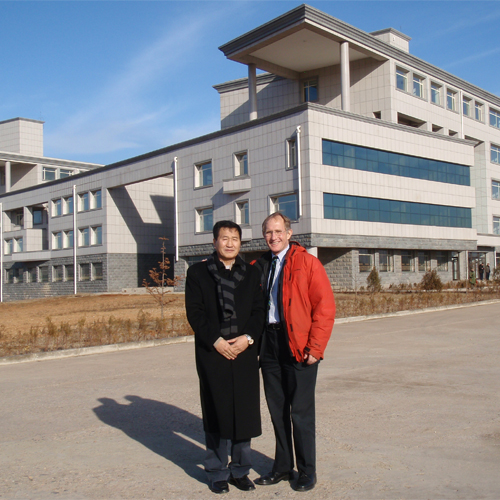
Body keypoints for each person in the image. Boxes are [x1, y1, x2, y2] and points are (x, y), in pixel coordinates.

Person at [253, 212, 336, 492]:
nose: (273, 237)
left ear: (289, 233)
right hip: (269, 346)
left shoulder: (308, 263)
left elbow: (324, 308)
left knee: (300, 412)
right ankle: (282, 466)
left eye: (278, 231)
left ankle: (307, 470)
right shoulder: (260, 264)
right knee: (277, 411)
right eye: (268, 232)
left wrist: (316, 347)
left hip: (299, 347)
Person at [185, 220, 265, 494]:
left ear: (241, 244)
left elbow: (259, 311)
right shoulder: (198, 273)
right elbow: (195, 313)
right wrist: (217, 341)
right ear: (215, 241)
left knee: (243, 411)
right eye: (224, 238)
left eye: (235, 238)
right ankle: (217, 471)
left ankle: (241, 470)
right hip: (213, 352)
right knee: (216, 411)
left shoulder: (252, 274)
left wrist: (247, 339)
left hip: (244, 351)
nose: (230, 243)